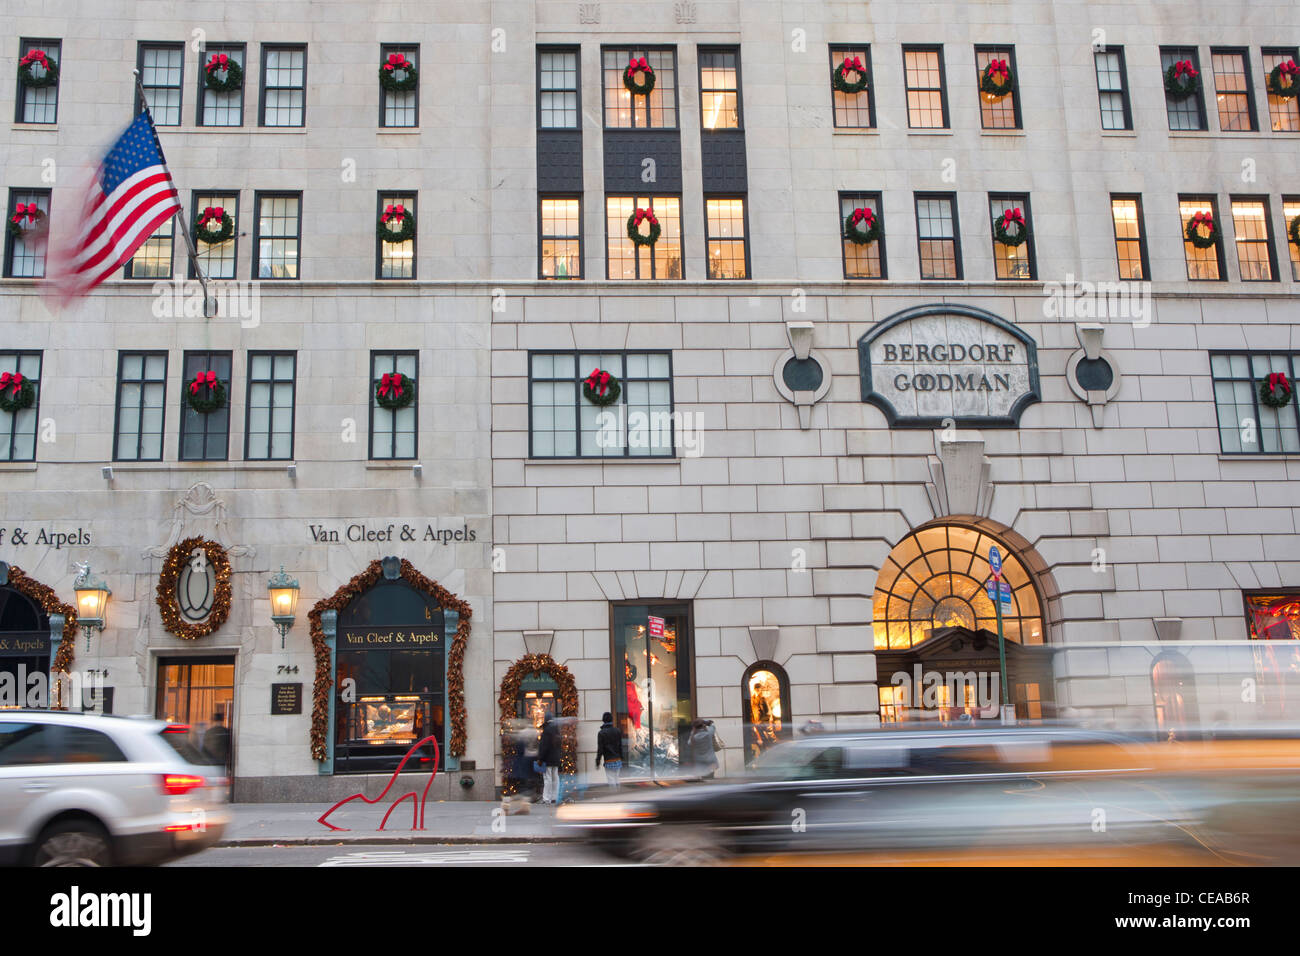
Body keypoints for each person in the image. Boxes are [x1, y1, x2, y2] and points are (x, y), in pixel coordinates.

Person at [595, 712, 623, 790]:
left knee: (611, 780)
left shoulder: (601, 733)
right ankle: (619, 795)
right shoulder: (617, 731)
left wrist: (598, 761)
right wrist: (621, 757)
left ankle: (614, 796)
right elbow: (620, 746)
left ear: (603, 720)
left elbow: (600, 749)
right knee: (617, 778)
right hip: (617, 759)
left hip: (608, 760)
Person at [537, 716, 562, 804]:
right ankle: (554, 797)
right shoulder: (557, 731)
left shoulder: (546, 731)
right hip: (556, 758)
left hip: (547, 759)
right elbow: (560, 747)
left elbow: (544, 747)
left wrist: (540, 758)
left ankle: (546, 798)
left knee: (547, 778)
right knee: (555, 778)